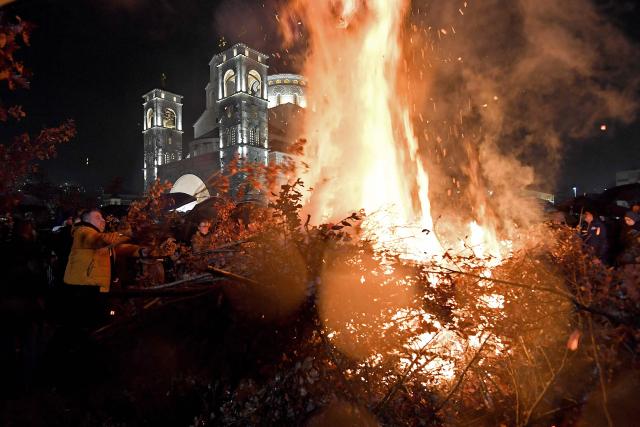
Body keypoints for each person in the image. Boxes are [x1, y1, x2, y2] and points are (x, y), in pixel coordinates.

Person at [63, 209, 147, 327]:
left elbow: (120, 248)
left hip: (97, 288)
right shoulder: (82, 232)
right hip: (84, 290)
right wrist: (127, 234)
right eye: (98, 217)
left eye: (103, 217)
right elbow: (101, 240)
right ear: (87, 220)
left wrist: (142, 251)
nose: (103, 220)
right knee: (85, 325)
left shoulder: (102, 238)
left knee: (99, 323)